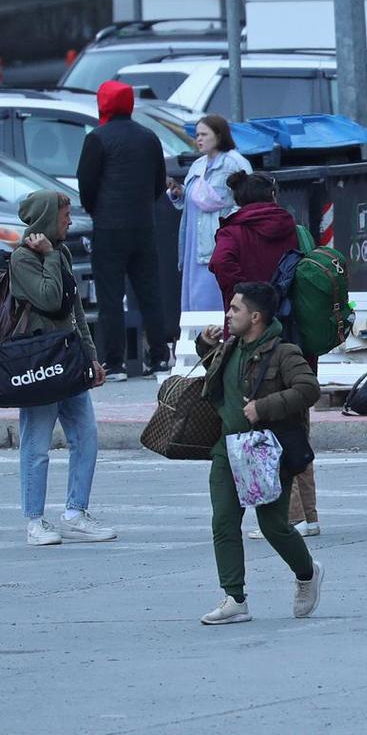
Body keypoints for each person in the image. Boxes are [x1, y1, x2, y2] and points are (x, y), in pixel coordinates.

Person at [195, 282, 323, 625]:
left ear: (255, 317)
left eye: (235, 309)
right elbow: (216, 376)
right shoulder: (230, 347)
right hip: (228, 449)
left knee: (273, 526)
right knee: (224, 521)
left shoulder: (284, 353)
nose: (228, 314)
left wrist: (264, 407)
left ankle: (308, 572)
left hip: (266, 451)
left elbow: (309, 389)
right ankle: (235, 598)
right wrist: (205, 344)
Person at [12, 190, 113, 547]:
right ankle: (34, 520)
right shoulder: (23, 258)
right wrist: (51, 257)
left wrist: (91, 356)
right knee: (37, 443)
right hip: (40, 362)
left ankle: (75, 513)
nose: (69, 222)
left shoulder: (60, 252)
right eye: (64, 215)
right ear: (46, 218)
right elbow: (50, 299)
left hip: (69, 359)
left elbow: (74, 311)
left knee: (85, 435)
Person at [76, 80, 171, 379]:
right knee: (150, 293)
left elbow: (86, 184)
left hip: (108, 227)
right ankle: (159, 357)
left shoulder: (97, 138)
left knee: (110, 296)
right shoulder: (148, 137)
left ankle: (114, 362)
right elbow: (159, 182)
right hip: (143, 225)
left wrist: (95, 209)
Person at [168, 114, 251, 313]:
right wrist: (179, 193)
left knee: (214, 301)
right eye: (197, 135)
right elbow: (192, 202)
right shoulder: (198, 165)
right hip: (194, 247)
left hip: (217, 244)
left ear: (219, 135)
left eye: (204, 134)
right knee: (196, 303)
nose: (199, 139)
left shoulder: (235, 163)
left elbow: (246, 202)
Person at [209, 172, 300, 311]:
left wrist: (242, 298)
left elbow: (220, 262)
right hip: (288, 313)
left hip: (247, 317)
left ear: (239, 200)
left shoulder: (231, 232)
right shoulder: (291, 227)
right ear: (273, 196)